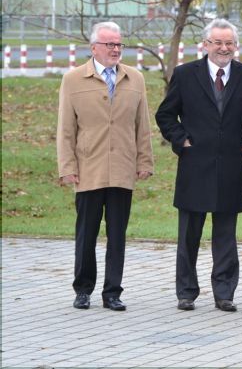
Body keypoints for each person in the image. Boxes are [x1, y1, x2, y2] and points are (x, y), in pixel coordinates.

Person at [155, 19, 242, 312]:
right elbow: (165, 115)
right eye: (218, 43)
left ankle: (224, 293)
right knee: (189, 234)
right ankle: (186, 292)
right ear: (205, 45)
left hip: (231, 167)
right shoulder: (185, 74)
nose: (224, 48)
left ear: (236, 46)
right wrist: (182, 141)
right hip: (194, 166)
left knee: (226, 235)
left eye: (229, 43)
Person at [57, 21, 154, 311]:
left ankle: (112, 292)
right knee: (86, 233)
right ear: (94, 47)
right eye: (109, 44)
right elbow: (65, 128)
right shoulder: (73, 79)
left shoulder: (135, 78)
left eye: (118, 44)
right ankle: (83, 289)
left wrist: (145, 160)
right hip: (88, 168)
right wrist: (67, 166)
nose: (115, 49)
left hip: (123, 168)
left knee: (117, 235)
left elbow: (143, 125)